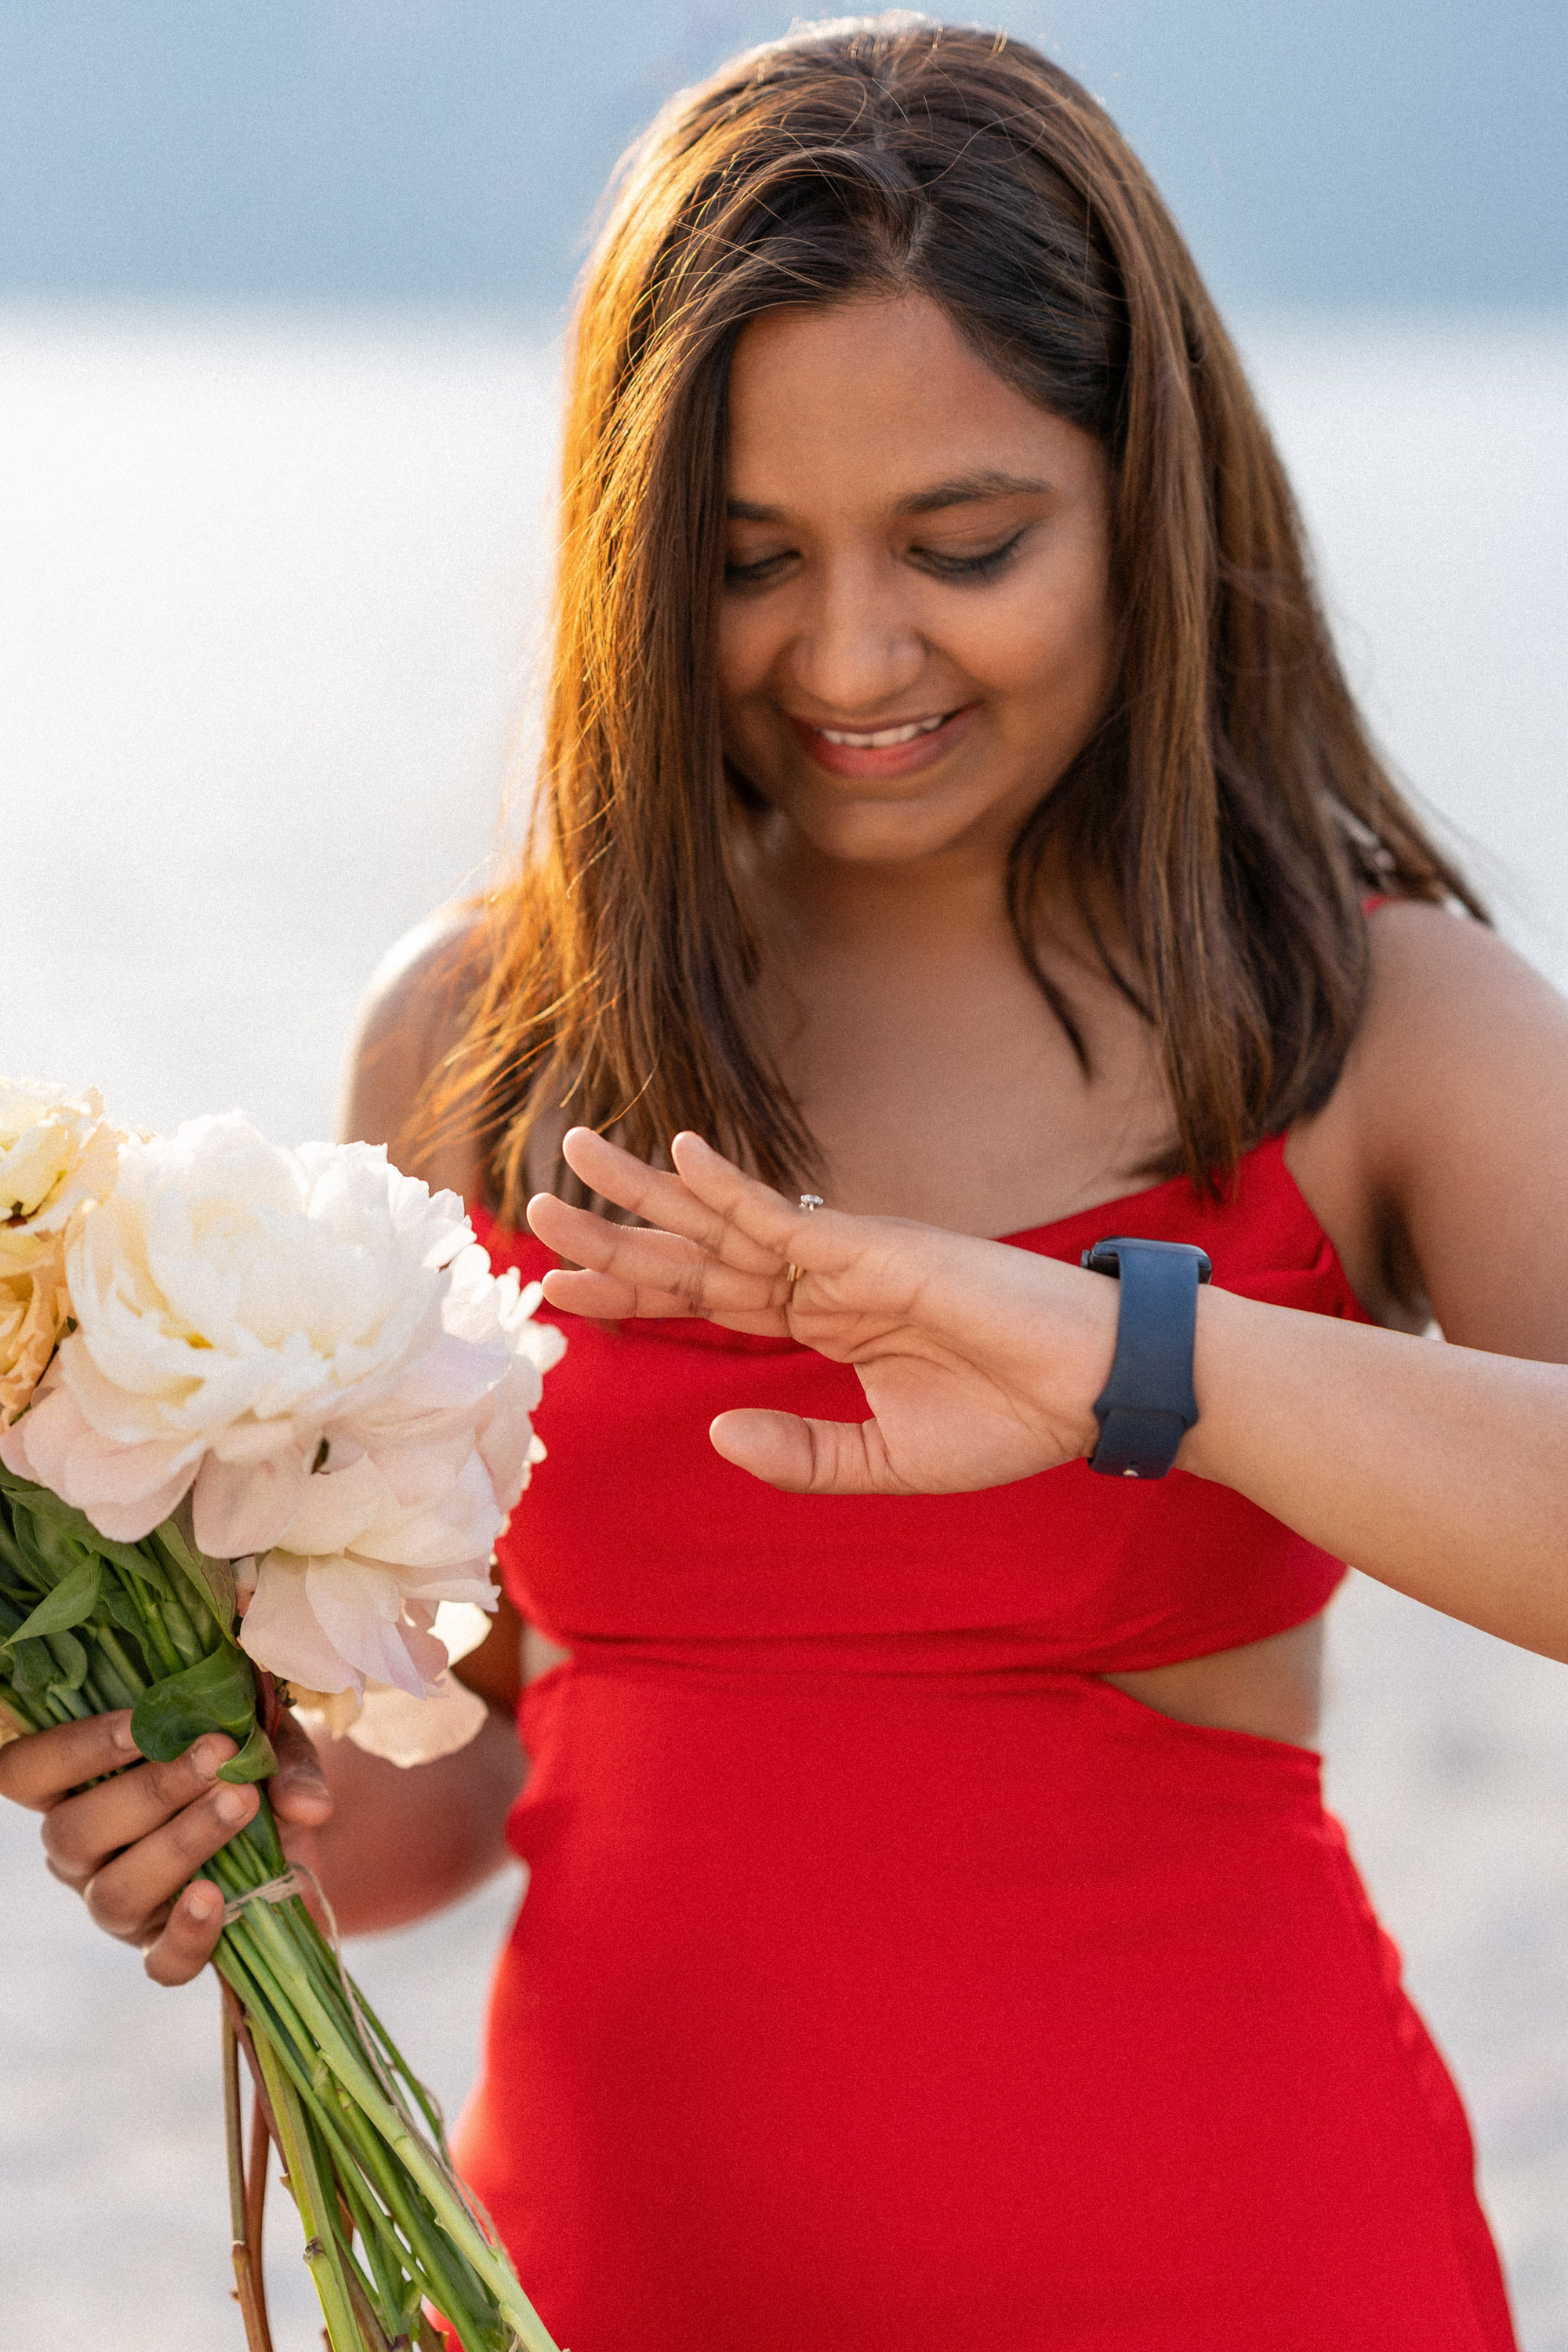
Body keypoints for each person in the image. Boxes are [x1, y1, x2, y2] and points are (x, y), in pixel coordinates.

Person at [6, 16, 1567, 2347]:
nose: (852, 653)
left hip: (1238, 2263)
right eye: (746, 561)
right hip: (605, 2279)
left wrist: (1117, 1349)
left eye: (965, 544)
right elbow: (439, 1800)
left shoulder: (1370, 1018)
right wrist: (212, 1772)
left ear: (1148, 493)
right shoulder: (484, 1039)